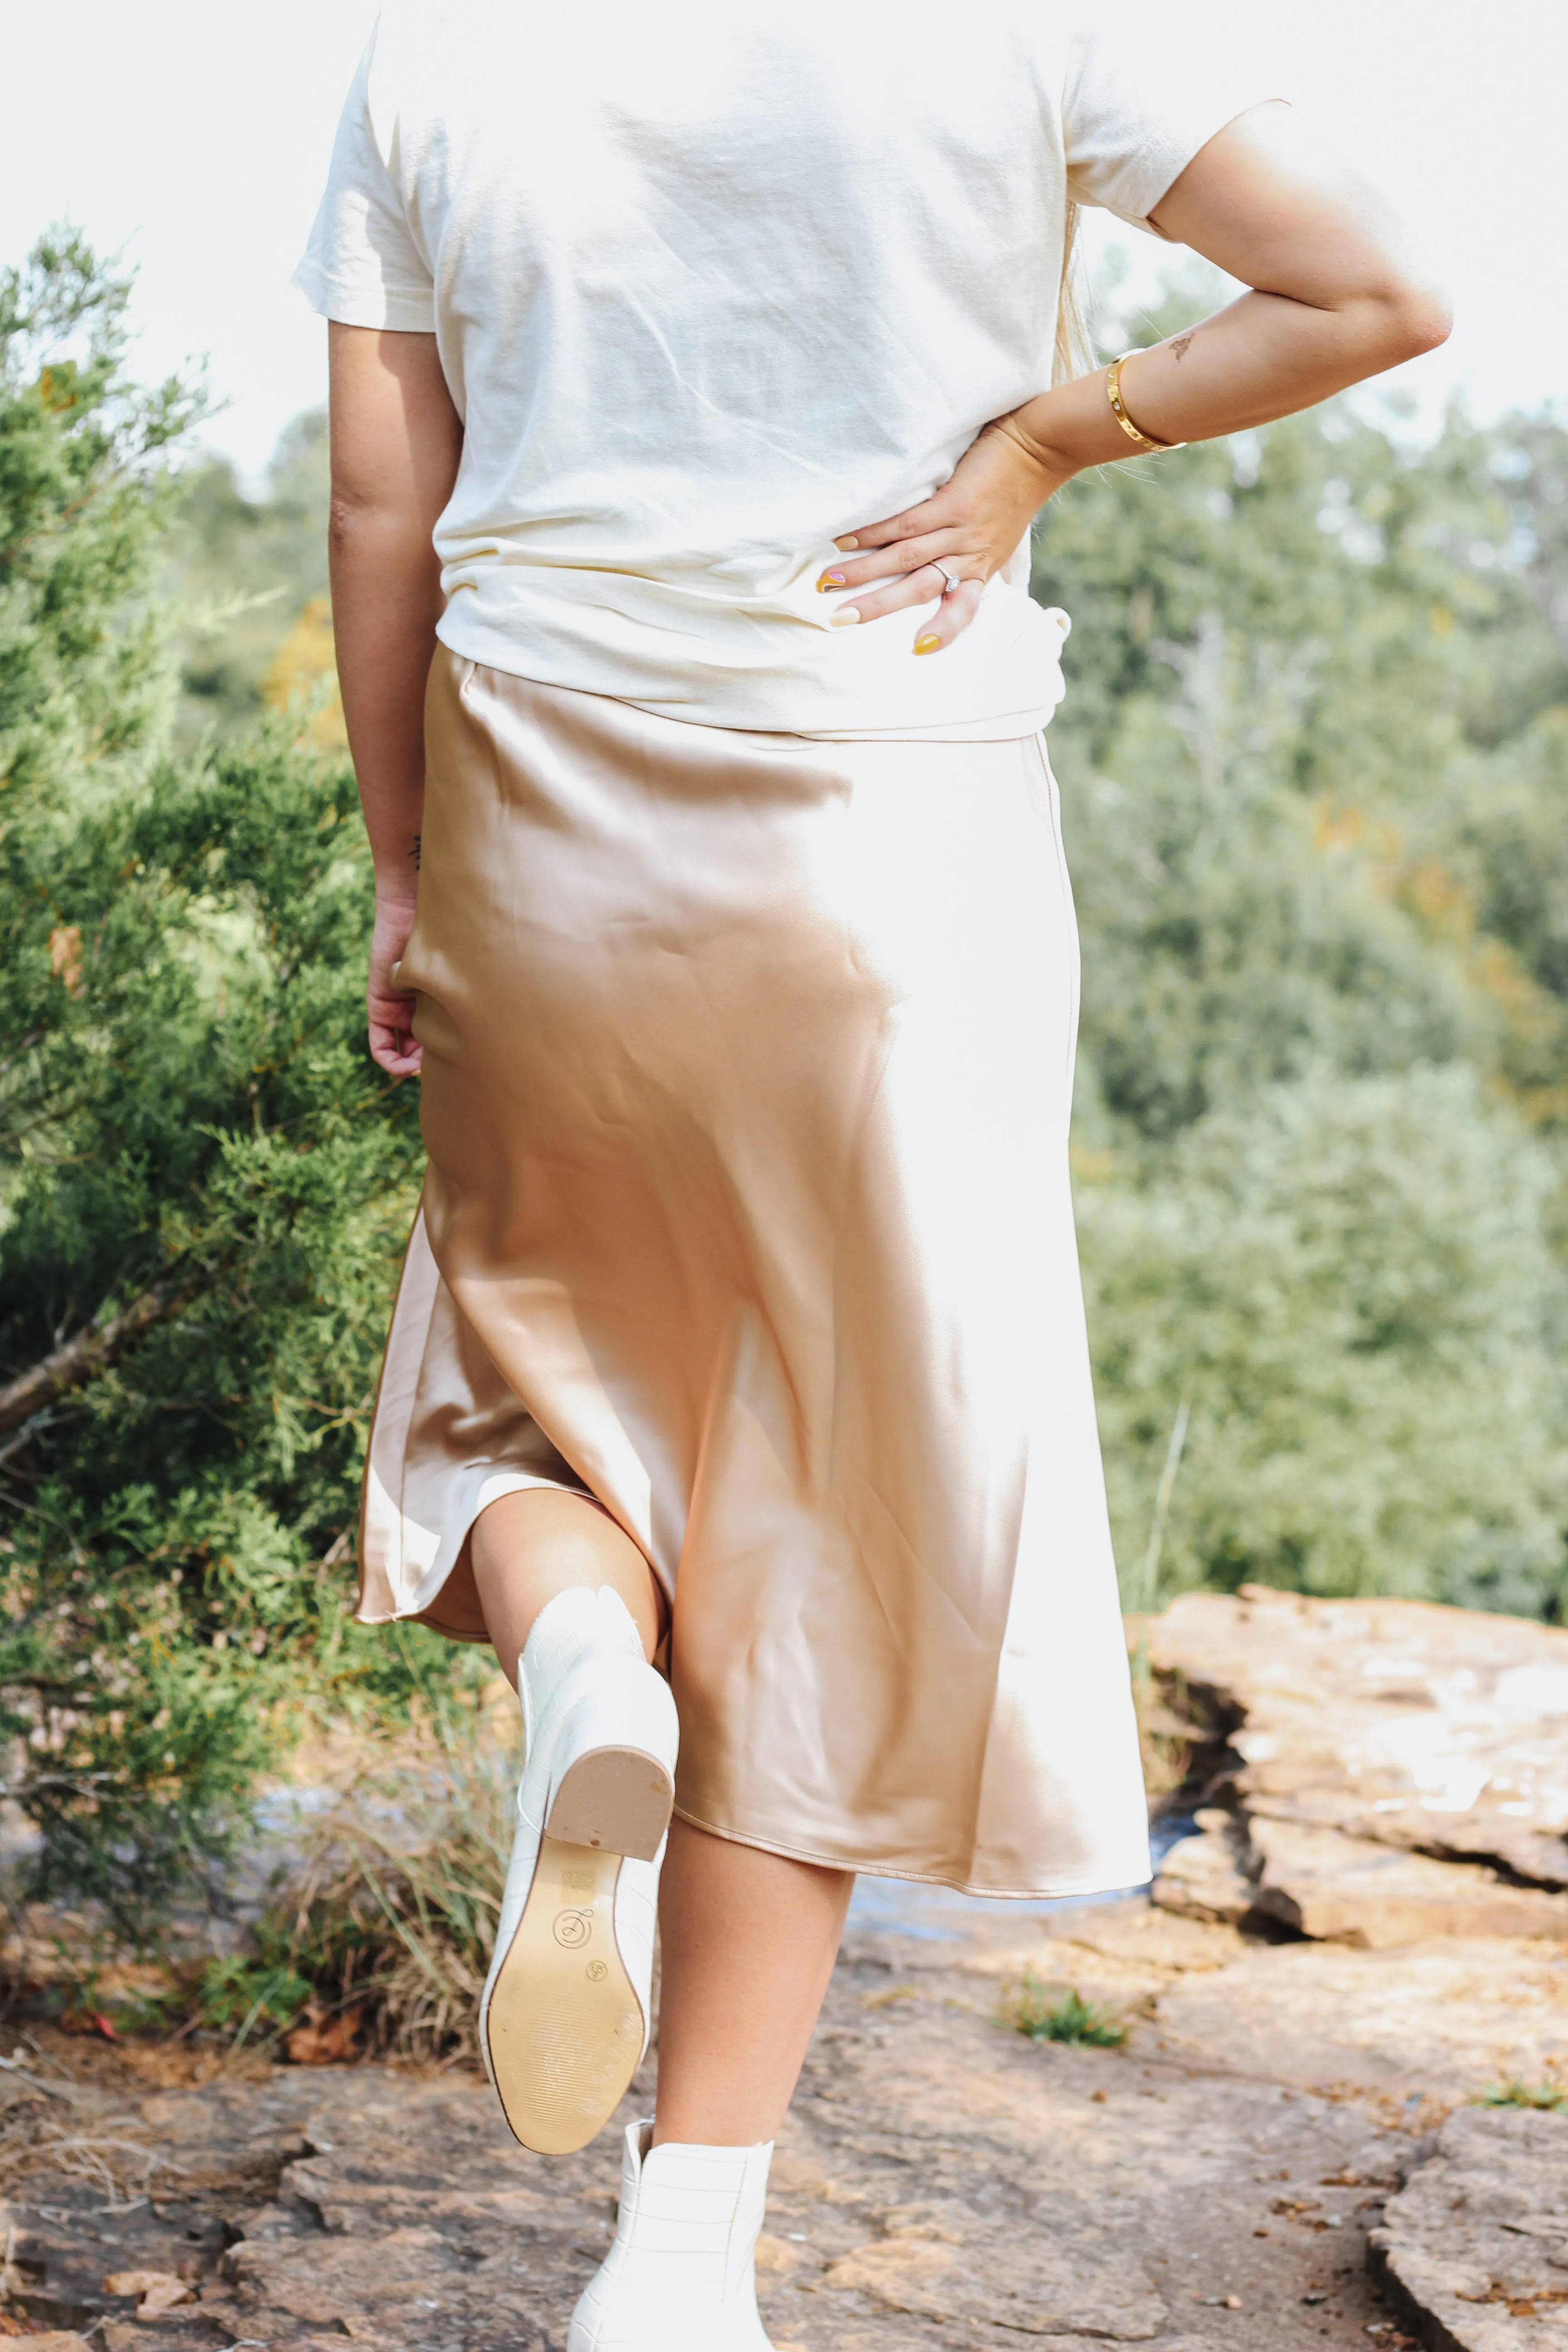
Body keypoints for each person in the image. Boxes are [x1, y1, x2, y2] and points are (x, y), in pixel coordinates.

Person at [296, 8, 1447, 2346]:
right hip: (890, 846)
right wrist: (1046, 439)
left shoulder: (433, 58)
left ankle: (588, 1668)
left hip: (548, 817)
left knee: (516, 1409)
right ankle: (686, 2249)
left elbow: (374, 497)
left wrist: (407, 870)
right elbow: (1378, 290)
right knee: (817, 1517)